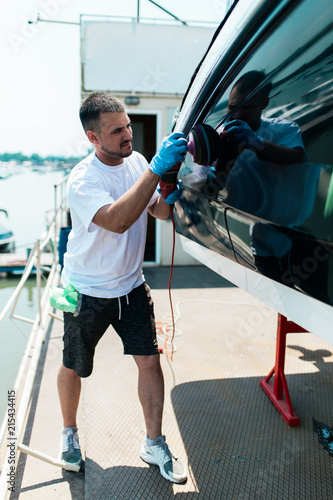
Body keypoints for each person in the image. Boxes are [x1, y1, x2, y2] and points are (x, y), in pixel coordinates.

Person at [57, 91, 188, 484]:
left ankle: (154, 442)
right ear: (93, 138)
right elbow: (116, 220)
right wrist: (153, 174)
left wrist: (167, 189)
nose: (128, 135)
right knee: (74, 366)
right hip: (87, 291)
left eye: (129, 125)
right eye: (117, 131)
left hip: (132, 288)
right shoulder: (82, 180)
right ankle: (68, 434)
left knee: (150, 361)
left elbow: (159, 212)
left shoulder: (140, 163)